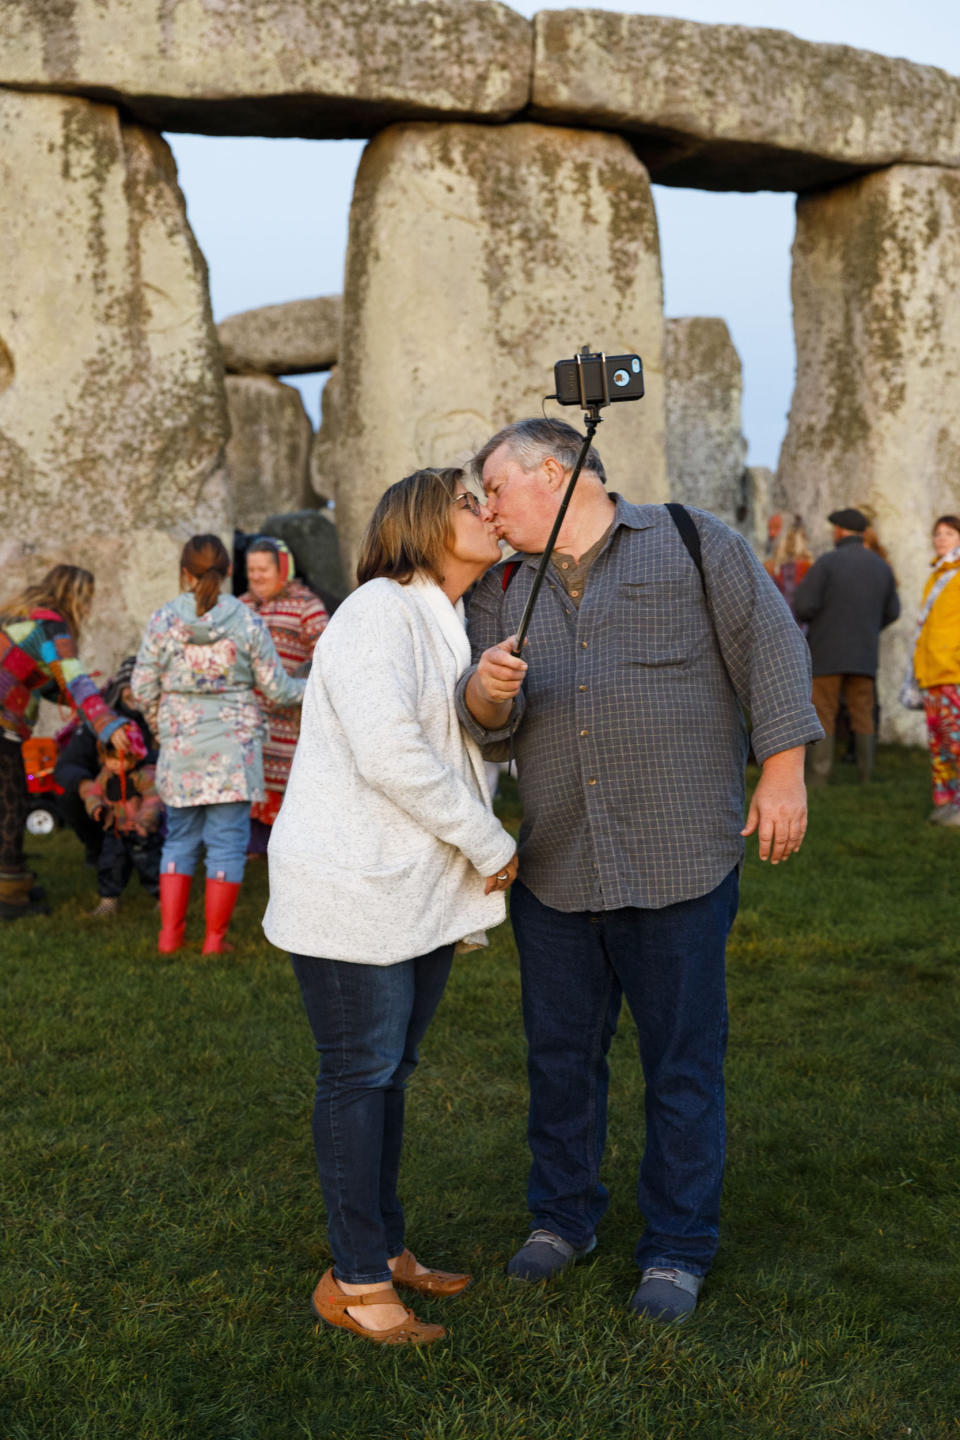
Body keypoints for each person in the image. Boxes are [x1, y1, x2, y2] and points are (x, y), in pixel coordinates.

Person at [455, 417, 822, 1324]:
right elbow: (488, 725)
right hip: (557, 865)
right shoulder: (502, 590)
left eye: (495, 489)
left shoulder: (696, 542)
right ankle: (563, 1219)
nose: (488, 511)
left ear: (554, 469)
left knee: (683, 1068)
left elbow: (772, 651)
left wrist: (782, 771)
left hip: (681, 858)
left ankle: (676, 1248)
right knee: (560, 1062)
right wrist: (483, 697)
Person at [263, 468, 518, 1346]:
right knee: (360, 1075)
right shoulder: (378, 608)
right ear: (421, 523)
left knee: (389, 1076)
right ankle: (356, 1281)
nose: (488, 513)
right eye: (468, 502)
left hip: (408, 889)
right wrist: (492, 843)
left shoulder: (448, 617)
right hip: (351, 888)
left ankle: (384, 1246)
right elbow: (391, 754)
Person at [131, 534, 306, 955]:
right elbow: (278, 690)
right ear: (229, 571)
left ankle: (169, 937)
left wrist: (162, 728)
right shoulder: (246, 621)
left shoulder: (163, 620)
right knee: (227, 842)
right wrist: (314, 684)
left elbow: (141, 688)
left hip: (181, 744)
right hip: (234, 747)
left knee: (179, 839)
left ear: (184, 573)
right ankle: (214, 941)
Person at [0, 564, 131, 922]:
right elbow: (74, 681)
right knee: (12, 805)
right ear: (73, 596)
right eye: (87, 600)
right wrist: (107, 722)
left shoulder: (20, 620)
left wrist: (93, 700)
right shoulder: (52, 626)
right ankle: (11, 898)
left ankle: (12, 883)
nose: (88, 609)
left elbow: (43, 683)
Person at [794, 507, 900, 785]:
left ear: (840, 531)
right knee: (863, 713)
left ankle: (819, 777)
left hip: (827, 650)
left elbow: (804, 605)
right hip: (864, 653)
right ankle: (866, 776)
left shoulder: (828, 563)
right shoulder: (881, 567)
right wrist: (867, 628)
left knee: (823, 711)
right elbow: (893, 611)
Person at [240, 537, 329, 854]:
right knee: (249, 785)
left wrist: (300, 688)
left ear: (282, 569)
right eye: (251, 570)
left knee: (291, 793)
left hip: (289, 720)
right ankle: (251, 851)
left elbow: (327, 657)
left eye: (263, 569)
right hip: (246, 723)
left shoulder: (306, 606)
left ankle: (290, 850)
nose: (256, 576)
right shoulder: (240, 606)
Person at [54, 656, 156, 872]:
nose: (135, 693)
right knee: (69, 792)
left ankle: (155, 852)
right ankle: (96, 847)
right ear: (119, 689)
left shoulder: (161, 721)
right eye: (129, 686)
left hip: (146, 793)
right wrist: (89, 790)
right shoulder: (99, 722)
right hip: (108, 793)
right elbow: (67, 765)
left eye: (143, 686)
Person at [80, 722, 163, 916]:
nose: (116, 764)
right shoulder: (106, 776)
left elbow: (153, 799)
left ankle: (163, 898)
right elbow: (94, 793)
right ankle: (109, 900)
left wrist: (145, 820)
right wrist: (96, 807)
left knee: (150, 865)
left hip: (141, 831)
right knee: (110, 864)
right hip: (114, 829)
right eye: (111, 759)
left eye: (122, 759)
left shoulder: (144, 775)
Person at [912, 515, 960, 824]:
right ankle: (948, 801)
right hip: (931, 671)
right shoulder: (937, 575)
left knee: (957, 740)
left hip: (953, 671)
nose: (941, 538)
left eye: (949, 533)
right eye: (937, 533)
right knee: (940, 743)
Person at [764, 514, 813, 617]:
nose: (771, 534)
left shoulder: (803, 567)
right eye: (769, 528)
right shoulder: (769, 567)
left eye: (776, 528)